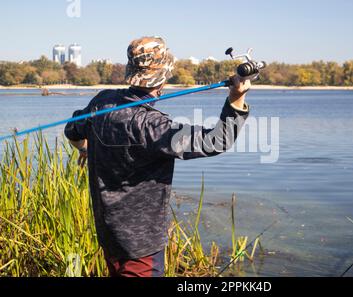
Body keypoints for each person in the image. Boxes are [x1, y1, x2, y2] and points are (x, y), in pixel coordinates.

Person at [64, 36, 251, 277]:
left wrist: (84, 149)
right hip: (141, 248)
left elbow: (72, 129)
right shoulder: (152, 126)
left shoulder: (101, 102)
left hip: (109, 236)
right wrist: (236, 100)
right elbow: (217, 140)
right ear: (163, 76)